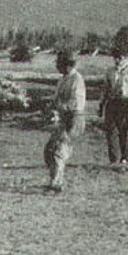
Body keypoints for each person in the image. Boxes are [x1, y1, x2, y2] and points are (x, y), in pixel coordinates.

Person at [43, 50, 86, 192]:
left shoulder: (76, 79)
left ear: (67, 65)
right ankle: (55, 179)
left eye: (59, 64)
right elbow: (56, 99)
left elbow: (74, 103)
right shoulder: (62, 79)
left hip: (74, 118)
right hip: (63, 118)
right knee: (49, 150)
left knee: (59, 151)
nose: (57, 67)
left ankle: (56, 183)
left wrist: (58, 106)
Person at [99, 49, 128, 167]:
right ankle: (113, 159)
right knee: (111, 131)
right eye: (115, 58)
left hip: (126, 102)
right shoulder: (110, 71)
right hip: (112, 103)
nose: (117, 60)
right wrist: (101, 104)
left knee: (125, 131)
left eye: (120, 58)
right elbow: (105, 89)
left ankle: (124, 158)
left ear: (125, 58)